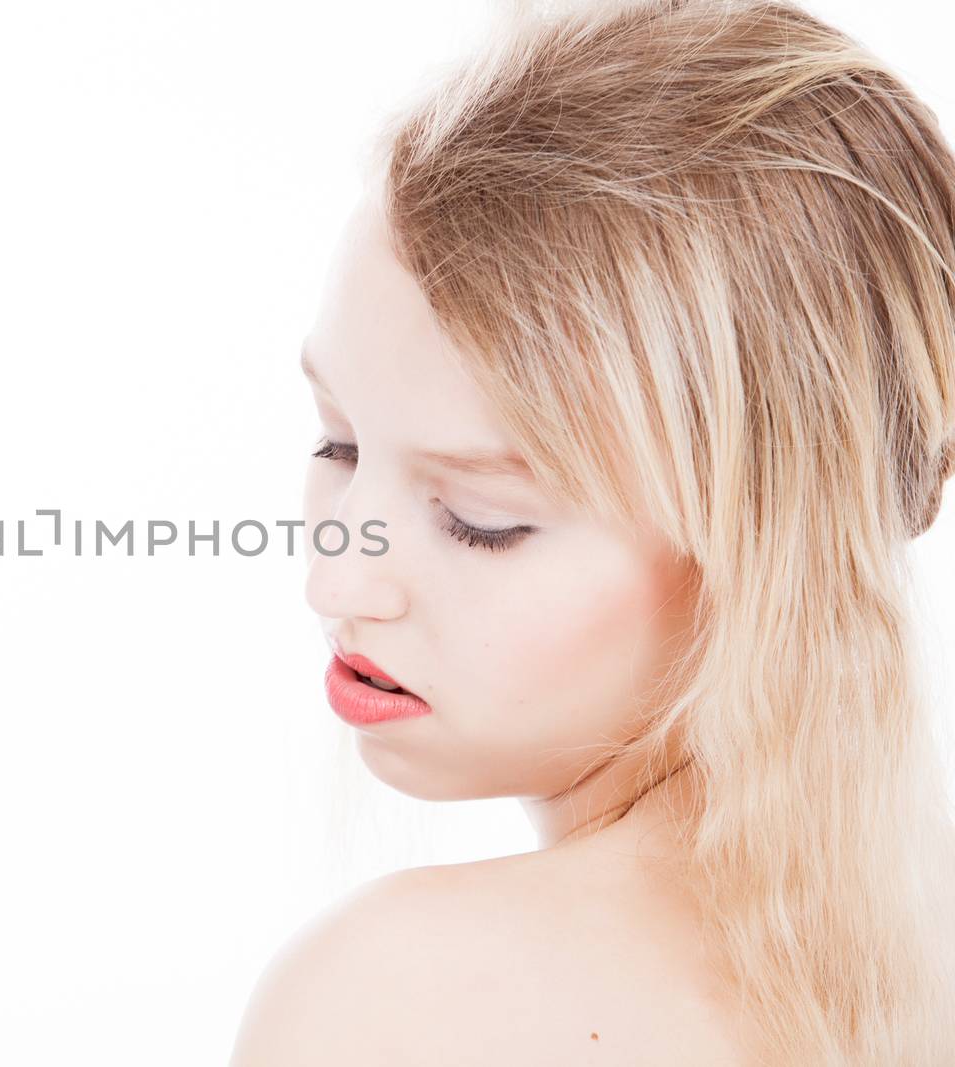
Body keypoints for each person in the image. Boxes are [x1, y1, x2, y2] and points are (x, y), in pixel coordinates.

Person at [229, 1, 955, 1063]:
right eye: (337, 445)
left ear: (775, 553)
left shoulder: (399, 999)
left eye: (482, 521)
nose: (336, 583)